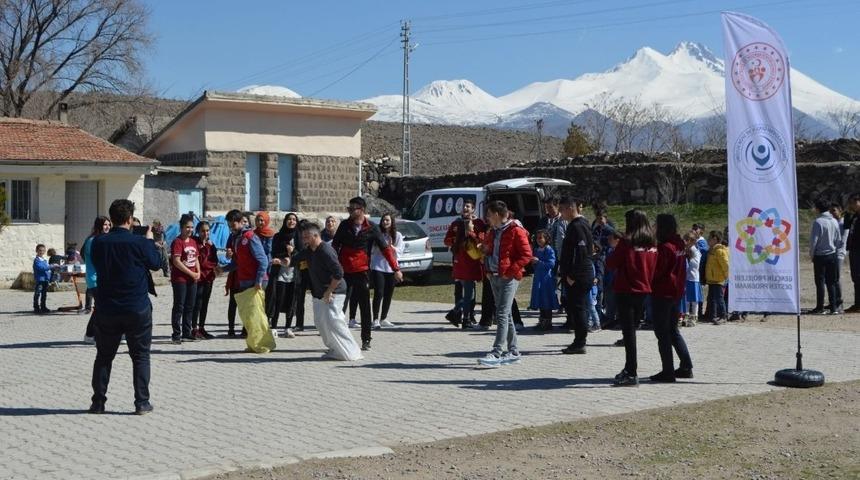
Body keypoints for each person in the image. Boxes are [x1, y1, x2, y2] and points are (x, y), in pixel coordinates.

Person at [89, 199, 161, 415]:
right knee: (140, 356)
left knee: (104, 356)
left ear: (112, 219)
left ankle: (98, 402)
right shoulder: (139, 243)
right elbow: (156, 264)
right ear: (130, 219)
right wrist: (149, 241)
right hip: (136, 307)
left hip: (107, 307)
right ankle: (141, 402)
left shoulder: (98, 242)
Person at [332, 197, 402, 351]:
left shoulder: (372, 228)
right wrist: (332, 267)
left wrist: (395, 269)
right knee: (338, 307)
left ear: (362, 210)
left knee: (364, 307)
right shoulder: (344, 225)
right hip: (343, 272)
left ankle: (366, 339)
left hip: (362, 272)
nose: (350, 211)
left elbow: (385, 249)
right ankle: (338, 340)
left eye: (353, 209)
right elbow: (335, 247)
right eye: (348, 209)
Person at [606, 209, 658, 387]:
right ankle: (630, 369)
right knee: (632, 331)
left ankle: (631, 371)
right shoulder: (652, 244)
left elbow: (612, 263)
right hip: (644, 291)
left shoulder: (627, 243)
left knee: (628, 335)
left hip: (626, 290)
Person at [477, 200, 532, 367]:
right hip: (494, 275)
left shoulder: (516, 230)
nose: (486, 218)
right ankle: (514, 351)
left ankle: (496, 352)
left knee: (501, 313)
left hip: (508, 277)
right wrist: (485, 252)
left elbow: (526, 255)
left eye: (488, 214)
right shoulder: (493, 231)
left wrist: (510, 271)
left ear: (496, 214)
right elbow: (490, 249)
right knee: (506, 315)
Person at [298, 222, 363, 361]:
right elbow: (294, 260)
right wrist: (282, 260)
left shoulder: (326, 250)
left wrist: (329, 291)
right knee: (321, 322)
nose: (303, 240)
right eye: (303, 237)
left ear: (315, 235)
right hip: (319, 293)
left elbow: (339, 273)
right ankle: (335, 349)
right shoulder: (309, 250)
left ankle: (352, 352)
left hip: (335, 291)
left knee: (334, 321)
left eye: (306, 237)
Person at [221, 209, 276, 353]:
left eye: (233, 225)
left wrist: (258, 280)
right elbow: (238, 262)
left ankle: (264, 345)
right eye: (229, 225)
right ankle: (254, 344)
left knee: (256, 316)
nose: (231, 228)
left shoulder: (250, 237)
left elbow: (263, 260)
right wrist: (223, 269)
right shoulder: (237, 238)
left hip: (256, 281)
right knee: (249, 317)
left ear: (241, 222)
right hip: (244, 280)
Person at [649, 214, 694, 382]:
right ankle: (686, 366)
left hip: (663, 292)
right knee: (673, 330)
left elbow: (658, 271)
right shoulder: (679, 244)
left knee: (662, 333)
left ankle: (667, 370)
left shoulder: (665, 247)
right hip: (676, 292)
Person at [558, 196, 594, 354]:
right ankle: (579, 340)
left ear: (571, 208)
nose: (561, 213)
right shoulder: (576, 225)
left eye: (562, 209)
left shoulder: (578, 226)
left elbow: (582, 252)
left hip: (579, 276)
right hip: (577, 274)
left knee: (579, 309)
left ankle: (580, 342)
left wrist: (573, 275)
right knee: (577, 308)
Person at [443, 199, 486, 329]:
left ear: (473, 209)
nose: (465, 208)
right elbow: (447, 240)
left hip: (473, 260)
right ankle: (464, 318)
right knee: (468, 292)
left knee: (470, 292)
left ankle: (463, 315)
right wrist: (457, 239)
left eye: (468, 206)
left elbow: (482, 239)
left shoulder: (478, 223)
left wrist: (471, 233)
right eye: (464, 206)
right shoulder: (456, 223)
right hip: (460, 261)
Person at [169, 214, 200, 344]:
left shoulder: (193, 242)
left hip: (192, 279)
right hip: (180, 279)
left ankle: (187, 332)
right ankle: (176, 333)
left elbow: (196, 258)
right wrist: (190, 273)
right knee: (179, 306)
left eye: (192, 227)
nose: (190, 230)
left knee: (190, 306)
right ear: (181, 228)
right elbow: (176, 261)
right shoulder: (177, 242)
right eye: (187, 227)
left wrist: (198, 272)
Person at [809, 198, 842, 314]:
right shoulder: (834, 221)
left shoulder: (818, 222)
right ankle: (834, 307)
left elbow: (814, 241)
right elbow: (838, 239)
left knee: (820, 282)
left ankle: (820, 307)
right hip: (832, 254)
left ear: (818, 209)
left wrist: (811, 255)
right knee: (831, 282)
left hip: (820, 255)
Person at [371, 213, 404, 329]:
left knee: (388, 294)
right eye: (383, 220)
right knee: (379, 292)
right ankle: (375, 319)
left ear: (392, 222)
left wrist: (391, 247)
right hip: (378, 267)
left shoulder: (397, 235)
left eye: (387, 220)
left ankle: (383, 318)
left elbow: (400, 251)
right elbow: (373, 250)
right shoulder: (377, 234)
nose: (385, 222)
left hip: (391, 268)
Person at [82, 216, 112, 342]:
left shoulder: (103, 239)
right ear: (98, 226)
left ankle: (93, 334)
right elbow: (98, 260)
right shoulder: (92, 241)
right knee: (101, 307)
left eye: (109, 225)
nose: (107, 227)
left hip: (102, 278)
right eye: (105, 225)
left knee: (102, 307)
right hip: (95, 279)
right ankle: (90, 334)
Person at [270, 212, 299, 338]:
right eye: (289, 219)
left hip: (294, 274)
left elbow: (302, 253)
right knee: (278, 299)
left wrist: (293, 253)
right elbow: (274, 251)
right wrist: (283, 258)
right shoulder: (278, 236)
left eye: (294, 219)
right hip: (280, 273)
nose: (291, 221)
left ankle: (288, 327)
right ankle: (274, 327)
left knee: (291, 301)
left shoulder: (299, 236)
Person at [226, 212, 253, 337]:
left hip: (247, 274)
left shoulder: (250, 237)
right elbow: (229, 253)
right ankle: (231, 328)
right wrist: (229, 254)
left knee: (246, 303)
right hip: (235, 272)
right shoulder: (233, 236)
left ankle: (246, 328)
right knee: (233, 301)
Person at [191, 221, 217, 339]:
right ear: (198, 231)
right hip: (198, 277)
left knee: (205, 303)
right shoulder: (194, 244)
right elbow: (199, 261)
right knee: (197, 304)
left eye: (207, 231)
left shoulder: (211, 246)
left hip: (209, 278)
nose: (205, 233)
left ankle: (202, 327)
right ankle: (194, 328)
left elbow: (214, 261)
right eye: (203, 231)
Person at [529, 229, 559, 331]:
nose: (538, 240)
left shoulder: (549, 249)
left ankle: (548, 321)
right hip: (539, 277)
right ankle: (542, 319)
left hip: (547, 278)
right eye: (537, 238)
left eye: (541, 238)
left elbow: (551, 264)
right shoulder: (537, 250)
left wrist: (539, 262)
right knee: (541, 298)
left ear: (546, 238)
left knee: (547, 299)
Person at [704, 230, 729, 324]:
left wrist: (726, 277)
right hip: (712, 279)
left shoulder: (720, 251)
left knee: (719, 298)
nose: (707, 240)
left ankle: (723, 316)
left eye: (709, 238)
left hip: (719, 280)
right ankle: (712, 316)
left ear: (714, 239)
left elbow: (726, 265)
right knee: (711, 298)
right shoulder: (712, 250)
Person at [681, 231, 702, 327]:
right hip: (685, 278)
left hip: (693, 278)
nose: (685, 242)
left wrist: (689, 258)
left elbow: (696, 264)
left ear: (692, 241)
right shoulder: (685, 250)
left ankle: (694, 316)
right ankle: (686, 315)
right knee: (686, 299)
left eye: (687, 240)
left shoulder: (695, 251)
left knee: (694, 300)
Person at [845, 193, 860, 312]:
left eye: (852, 203)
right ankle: (857, 304)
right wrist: (848, 215)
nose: (850, 205)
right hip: (853, 249)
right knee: (855, 277)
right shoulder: (853, 216)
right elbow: (846, 228)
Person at [692, 223, 709, 318]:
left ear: (701, 231)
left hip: (699, 271)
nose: (694, 230)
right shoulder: (695, 241)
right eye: (693, 228)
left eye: (696, 229)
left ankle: (699, 311)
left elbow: (702, 255)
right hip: (694, 270)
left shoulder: (702, 242)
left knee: (698, 291)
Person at [32, 244, 53, 313]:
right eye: (40, 250)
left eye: (43, 251)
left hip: (45, 280)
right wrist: (51, 266)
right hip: (40, 280)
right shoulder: (37, 260)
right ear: (36, 251)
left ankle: (43, 307)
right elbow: (42, 268)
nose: (41, 252)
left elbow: (47, 271)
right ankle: (36, 307)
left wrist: (49, 278)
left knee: (44, 294)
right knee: (37, 293)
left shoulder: (44, 260)